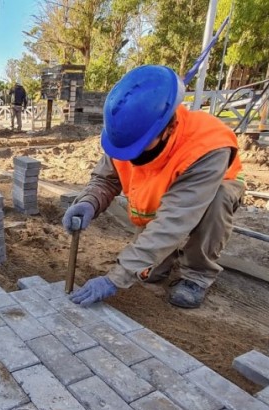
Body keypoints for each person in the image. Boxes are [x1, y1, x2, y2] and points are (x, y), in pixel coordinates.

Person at [62, 65, 244, 309]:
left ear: (168, 128)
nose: (131, 156)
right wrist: (89, 201)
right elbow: (105, 179)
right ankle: (165, 259)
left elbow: (175, 220)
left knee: (218, 199)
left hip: (207, 192)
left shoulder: (207, 145)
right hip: (160, 196)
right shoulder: (126, 134)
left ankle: (197, 275)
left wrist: (115, 278)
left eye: (139, 146)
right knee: (150, 272)